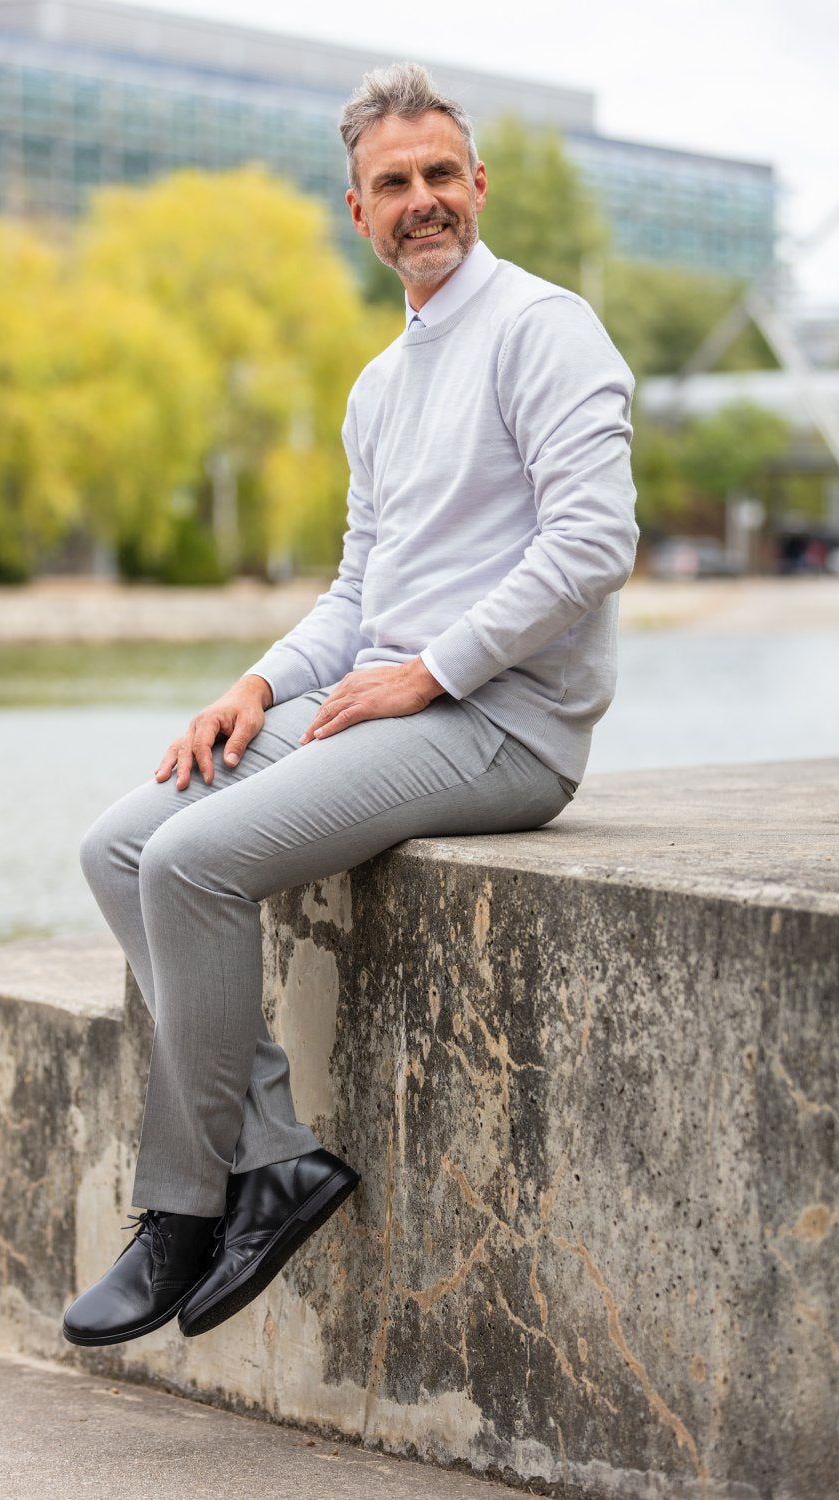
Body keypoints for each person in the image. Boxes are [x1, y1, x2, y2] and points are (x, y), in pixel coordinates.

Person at [62, 60, 638, 1348]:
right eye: (395, 184)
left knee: (196, 860)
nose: (423, 199)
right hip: (384, 706)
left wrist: (433, 671)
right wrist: (260, 684)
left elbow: (595, 541)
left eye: (443, 174)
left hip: (502, 726)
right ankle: (275, 1156)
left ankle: (187, 1202)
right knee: (118, 843)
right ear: (358, 211)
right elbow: (355, 597)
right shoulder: (379, 388)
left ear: (478, 184)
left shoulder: (548, 328)